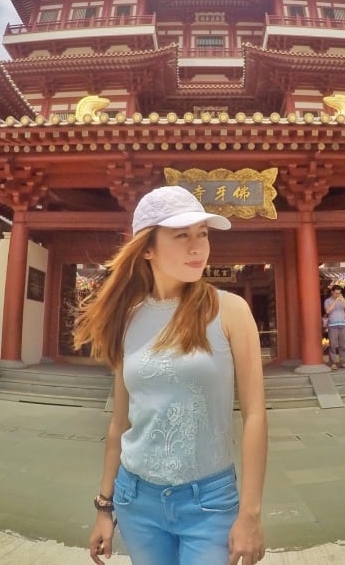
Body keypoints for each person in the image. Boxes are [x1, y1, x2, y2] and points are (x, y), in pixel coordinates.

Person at [74, 185, 267, 565]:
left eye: (203, 234)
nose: (198, 247)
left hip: (209, 502)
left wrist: (250, 514)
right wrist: (103, 506)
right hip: (135, 499)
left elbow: (255, 415)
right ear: (147, 247)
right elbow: (120, 423)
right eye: (182, 235)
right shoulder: (127, 318)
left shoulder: (230, 311)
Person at [324, 284, 345, 369]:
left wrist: (343, 301)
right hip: (332, 325)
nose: (338, 295)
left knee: (343, 345)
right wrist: (335, 301)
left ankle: (343, 362)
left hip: (343, 325)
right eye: (336, 293)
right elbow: (328, 311)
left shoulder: (343, 300)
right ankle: (332, 363)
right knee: (333, 345)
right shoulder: (327, 301)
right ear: (332, 292)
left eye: (339, 293)